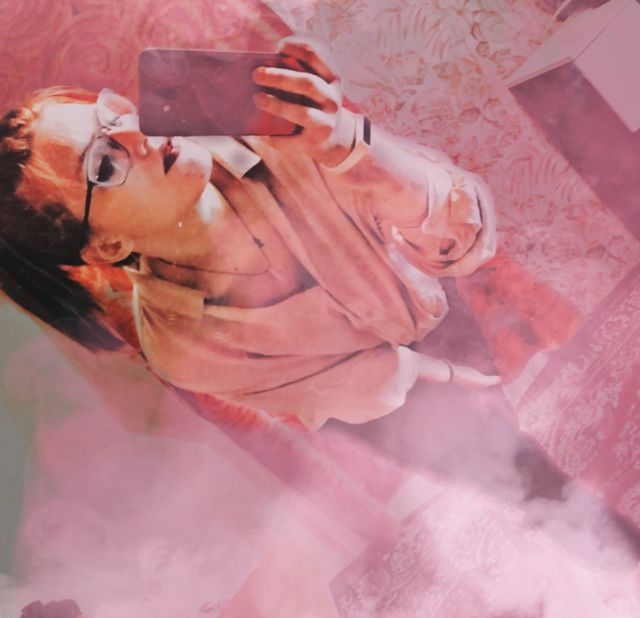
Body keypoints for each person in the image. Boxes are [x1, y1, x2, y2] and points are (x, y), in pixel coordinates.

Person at [0, 36, 498, 429]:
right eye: (105, 163)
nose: (137, 133)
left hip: (457, 302)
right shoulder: (183, 347)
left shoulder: (257, 129)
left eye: (112, 116)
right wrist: (458, 379)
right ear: (108, 245)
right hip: (412, 411)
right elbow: (369, 391)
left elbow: (463, 235)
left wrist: (350, 145)